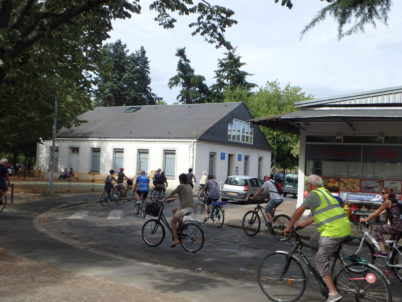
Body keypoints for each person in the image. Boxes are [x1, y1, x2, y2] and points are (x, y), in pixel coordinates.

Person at [284, 174, 351, 302]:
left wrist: (289, 226)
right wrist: (304, 223)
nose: (306, 188)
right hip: (342, 227)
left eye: (306, 185)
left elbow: (299, 211)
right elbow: (323, 211)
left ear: (310, 185)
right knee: (313, 241)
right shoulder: (325, 192)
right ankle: (324, 270)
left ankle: (333, 292)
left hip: (333, 231)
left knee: (320, 260)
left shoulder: (314, 194)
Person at [360, 187, 402, 257]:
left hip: (396, 226)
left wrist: (366, 219)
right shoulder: (396, 201)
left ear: (388, 194)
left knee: (377, 229)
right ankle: (394, 265)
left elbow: (377, 211)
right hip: (400, 226)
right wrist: (374, 215)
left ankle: (383, 252)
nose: (381, 195)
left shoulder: (387, 202)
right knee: (392, 246)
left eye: (383, 193)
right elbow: (385, 210)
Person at [163, 173, 194, 247]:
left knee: (172, 222)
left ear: (180, 180)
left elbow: (172, 193)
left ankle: (176, 239)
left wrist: (164, 199)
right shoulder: (189, 186)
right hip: (191, 208)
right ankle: (182, 225)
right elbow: (184, 195)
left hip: (185, 209)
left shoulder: (180, 186)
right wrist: (175, 198)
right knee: (174, 210)